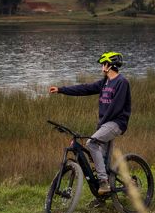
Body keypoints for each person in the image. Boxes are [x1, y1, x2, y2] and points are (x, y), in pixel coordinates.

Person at [49, 52, 131, 195]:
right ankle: (103, 197)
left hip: (116, 123)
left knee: (91, 144)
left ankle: (104, 182)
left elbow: (116, 107)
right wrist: (61, 90)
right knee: (103, 160)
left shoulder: (121, 82)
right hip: (105, 124)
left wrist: (101, 125)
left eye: (102, 64)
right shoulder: (104, 82)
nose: (101, 67)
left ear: (109, 65)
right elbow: (84, 88)